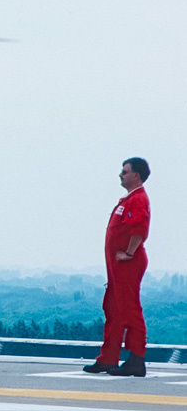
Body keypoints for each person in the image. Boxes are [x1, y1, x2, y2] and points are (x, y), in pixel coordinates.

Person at [84, 157, 152, 376]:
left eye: (124, 171)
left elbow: (139, 229)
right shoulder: (128, 199)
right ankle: (108, 358)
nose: (120, 175)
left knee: (130, 310)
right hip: (118, 266)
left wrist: (129, 253)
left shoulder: (138, 199)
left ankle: (136, 359)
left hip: (128, 264)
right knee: (113, 309)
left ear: (136, 175)